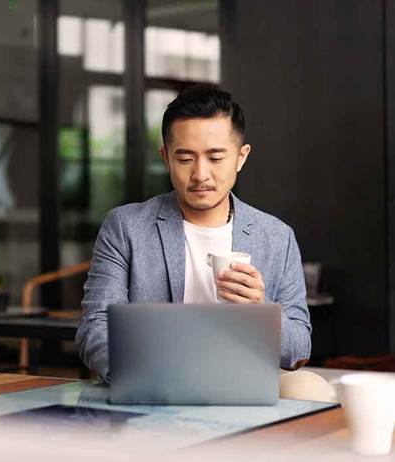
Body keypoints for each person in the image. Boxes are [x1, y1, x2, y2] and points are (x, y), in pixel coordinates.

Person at [76, 85, 331, 400]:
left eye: (215, 157)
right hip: (153, 379)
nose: (200, 174)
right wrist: (145, 376)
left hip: (244, 381)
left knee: (313, 390)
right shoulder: (126, 227)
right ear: (166, 158)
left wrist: (260, 310)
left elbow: (298, 348)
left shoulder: (276, 236)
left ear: (240, 157)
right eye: (185, 158)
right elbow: (94, 328)